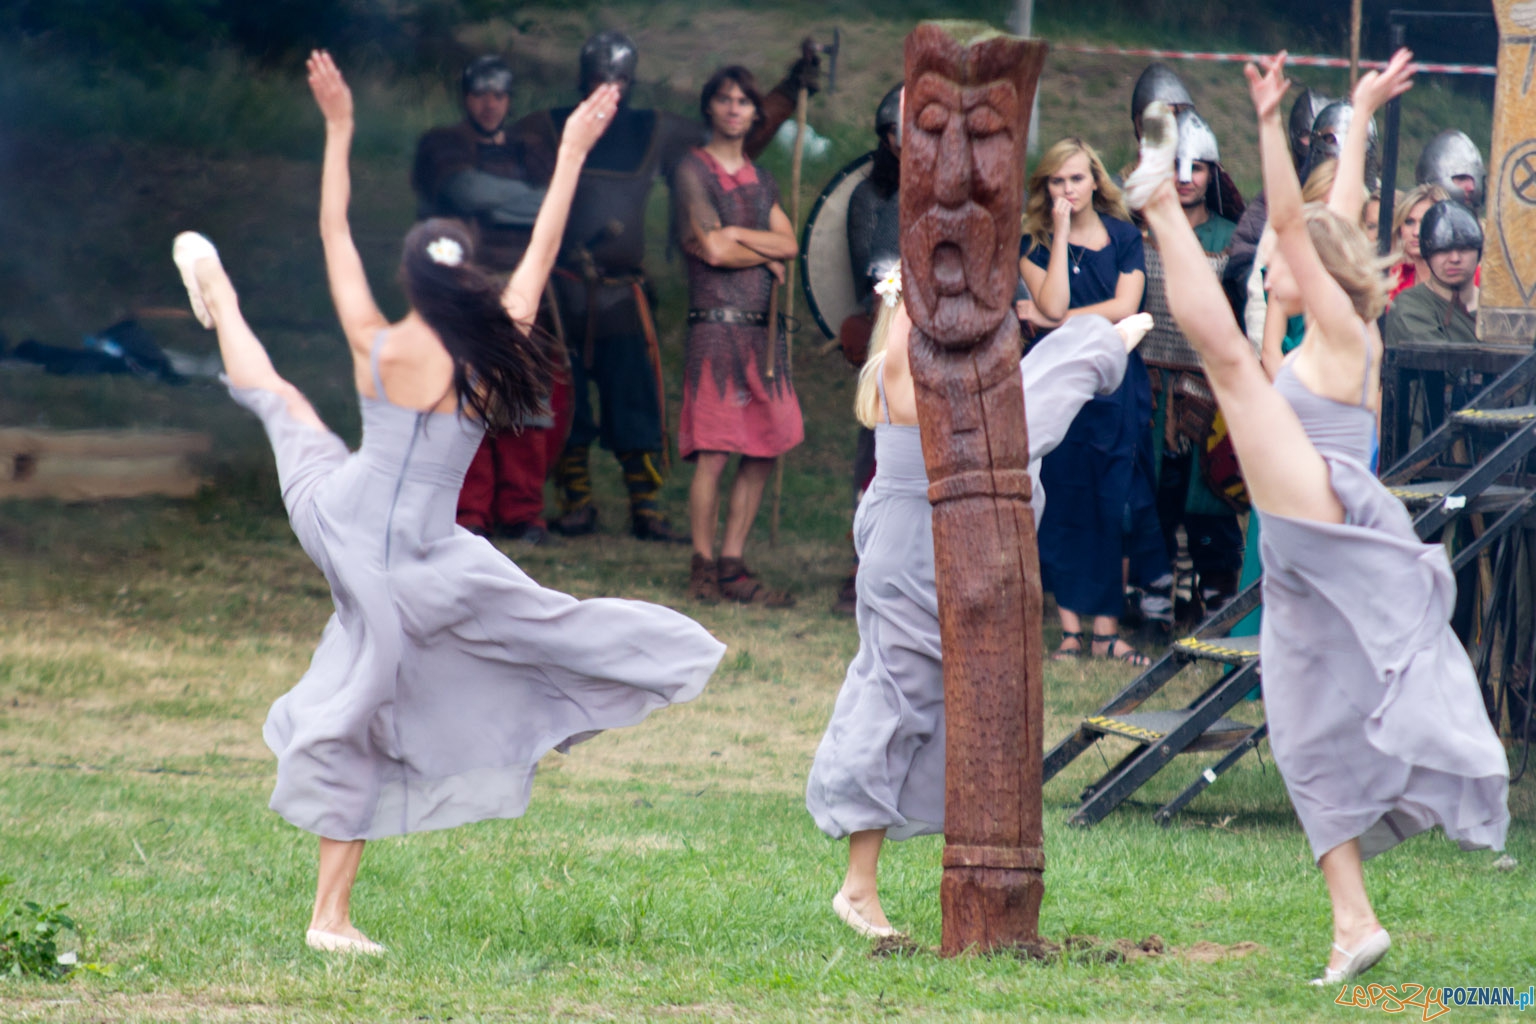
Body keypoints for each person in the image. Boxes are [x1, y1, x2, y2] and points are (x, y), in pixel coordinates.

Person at [172, 51, 726, 954]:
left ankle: (223, 300)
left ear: (412, 283)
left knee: (281, 400)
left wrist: (340, 125)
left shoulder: (378, 340)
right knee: (538, 630)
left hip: (341, 521)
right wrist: (575, 152)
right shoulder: (497, 340)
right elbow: (545, 245)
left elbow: (333, 233)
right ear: (467, 275)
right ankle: (333, 915)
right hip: (425, 562)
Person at [1125, 50, 1508, 985]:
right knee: (1301, 732)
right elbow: (1323, 222)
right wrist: (1363, 113)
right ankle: (1352, 923)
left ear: (1318, 272)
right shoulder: (1323, 319)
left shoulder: (1345, 328)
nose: (1275, 257)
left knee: (1226, 368)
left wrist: (1269, 125)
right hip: (1303, 553)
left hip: (1329, 515)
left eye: (1290, 255)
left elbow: (1304, 224)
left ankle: (1157, 202)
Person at [805, 264, 1152, 937]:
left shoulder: (952, 390)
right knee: (895, 698)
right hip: (908, 547)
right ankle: (857, 886)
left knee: (951, 704)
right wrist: (918, 283)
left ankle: (944, 874)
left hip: (942, 540)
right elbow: (927, 338)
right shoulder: (899, 374)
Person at [513, 32, 818, 543]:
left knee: (637, 402)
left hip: (621, 292)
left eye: (620, 80)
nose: (610, 88)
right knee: (569, 407)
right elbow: (497, 158)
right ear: (582, 76)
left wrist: (788, 89)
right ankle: (576, 503)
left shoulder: (652, 129)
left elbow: (734, 139)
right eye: (599, 78)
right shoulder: (545, 128)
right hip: (561, 291)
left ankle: (646, 507)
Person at [1017, 137, 1162, 665]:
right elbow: (1052, 299)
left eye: (1076, 179)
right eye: (1057, 181)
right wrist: (1058, 235)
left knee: (1115, 506)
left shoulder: (1124, 236)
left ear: (1095, 180)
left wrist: (1053, 321)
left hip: (1117, 385)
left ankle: (1109, 632)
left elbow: (1125, 307)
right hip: (1059, 388)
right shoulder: (1032, 243)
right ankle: (1071, 632)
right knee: (1063, 502)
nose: (1067, 190)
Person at [412, 55, 567, 545]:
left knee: (523, 398)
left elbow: (559, 200)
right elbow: (467, 191)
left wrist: (516, 198)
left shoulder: (533, 148)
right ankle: (470, 512)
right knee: (469, 399)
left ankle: (523, 512)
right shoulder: (444, 144)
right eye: (480, 93)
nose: (489, 103)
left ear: (509, 99)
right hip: (466, 290)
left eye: (498, 94)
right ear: (466, 96)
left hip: (524, 289)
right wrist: (527, 199)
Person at [672, 66, 802, 606]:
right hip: (716, 331)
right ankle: (702, 564)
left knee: (768, 443)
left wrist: (740, 237)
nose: (732, 109)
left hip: (761, 337)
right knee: (714, 452)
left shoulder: (762, 178)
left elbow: (789, 244)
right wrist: (759, 252)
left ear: (754, 113)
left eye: (743, 101)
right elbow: (714, 251)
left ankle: (733, 561)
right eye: (723, 99)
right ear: (710, 108)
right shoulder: (691, 171)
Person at [1385, 199, 1482, 348]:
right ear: (1428, 254)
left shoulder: (1500, 308)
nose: (1455, 258)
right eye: (1442, 250)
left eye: (1464, 248)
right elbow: (1440, 363)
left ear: (1478, 251)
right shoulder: (1410, 306)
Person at [1387, 182, 1453, 302]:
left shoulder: (1473, 277)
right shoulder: (1394, 280)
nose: (1416, 232)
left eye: (1425, 222)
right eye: (1409, 222)